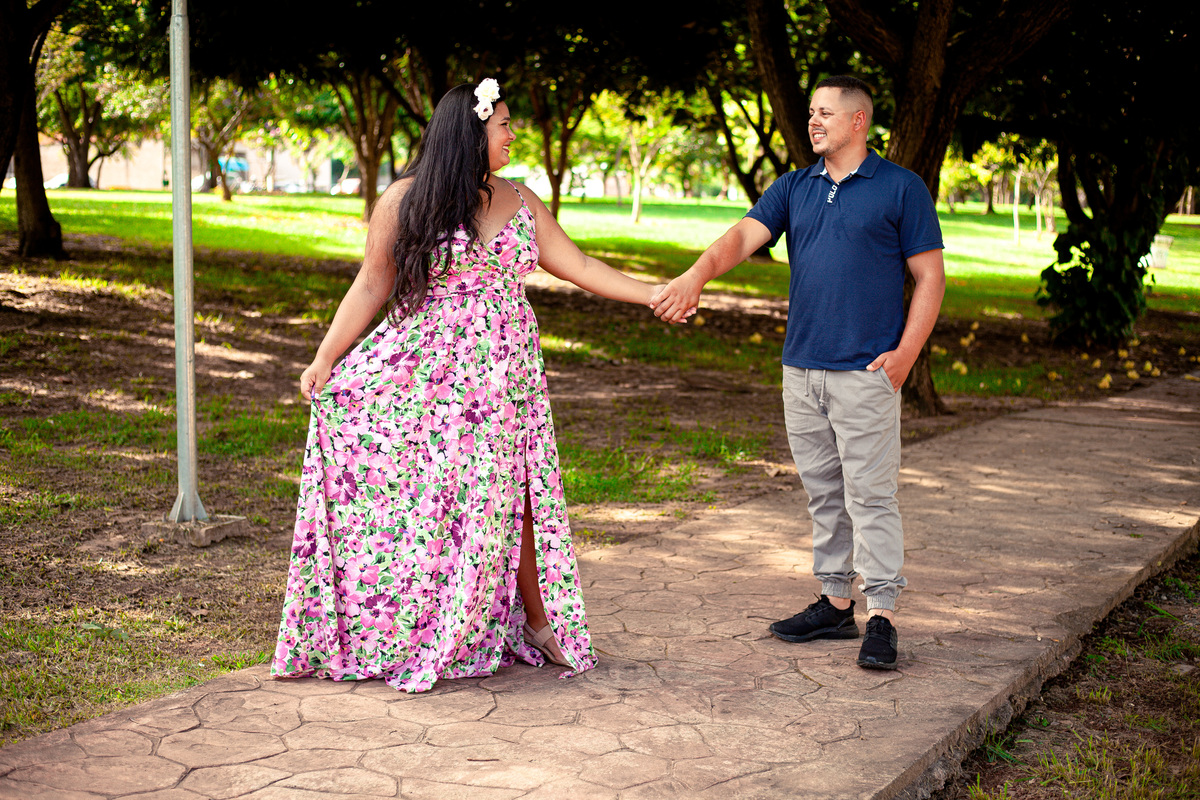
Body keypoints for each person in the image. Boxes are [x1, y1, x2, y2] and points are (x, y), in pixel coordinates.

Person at [271, 79, 666, 692]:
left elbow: (582, 267)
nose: (513, 135)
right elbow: (372, 283)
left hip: (505, 378)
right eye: (503, 123)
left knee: (516, 494)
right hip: (430, 378)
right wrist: (327, 356)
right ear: (471, 130)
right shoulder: (406, 199)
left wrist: (655, 294)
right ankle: (410, 622)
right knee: (438, 498)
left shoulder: (522, 199)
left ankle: (539, 622)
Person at [651, 75, 945, 670]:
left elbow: (930, 276)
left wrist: (907, 355)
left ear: (858, 121)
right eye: (811, 111)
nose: (814, 121)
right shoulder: (794, 187)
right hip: (802, 371)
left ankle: (882, 614)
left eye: (826, 113)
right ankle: (836, 603)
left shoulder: (901, 188)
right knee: (824, 494)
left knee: (871, 496)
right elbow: (741, 238)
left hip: (866, 371)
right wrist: (695, 276)